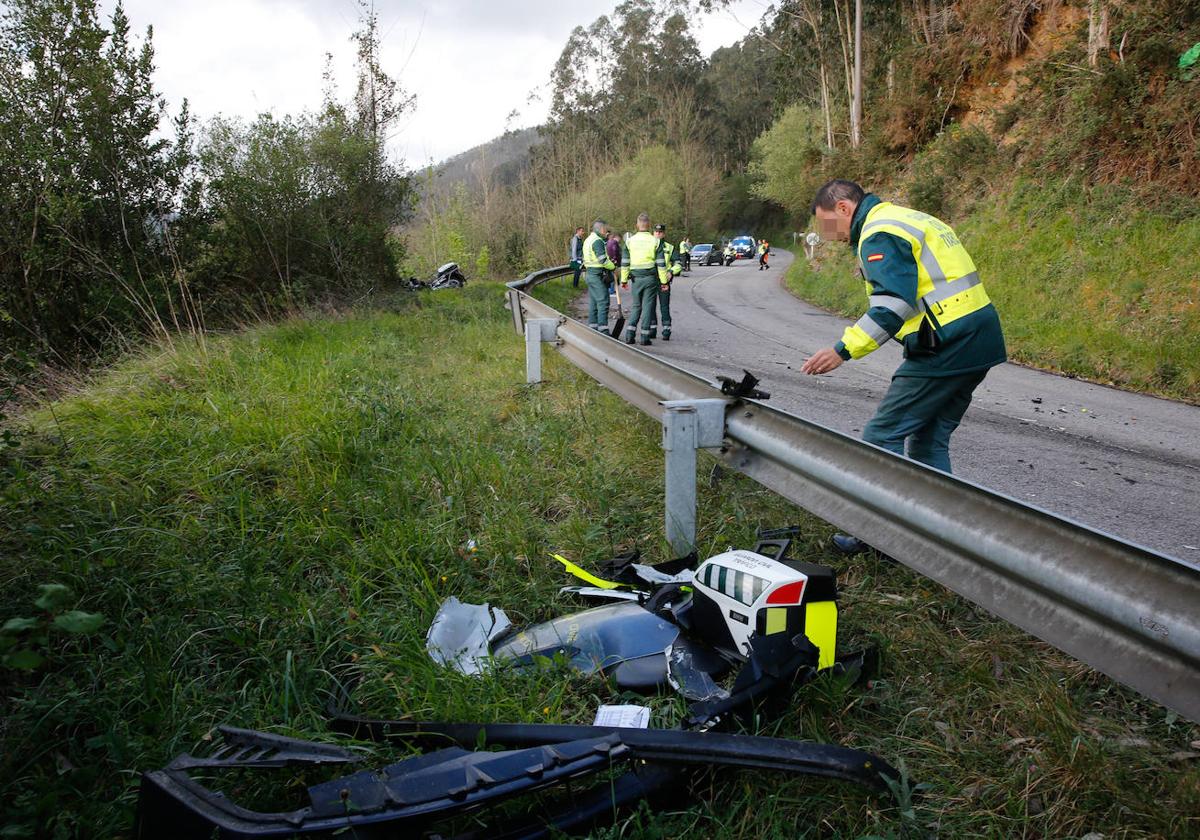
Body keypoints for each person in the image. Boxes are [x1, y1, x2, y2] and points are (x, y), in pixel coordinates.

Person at [800, 179, 1006, 554]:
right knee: (928, 440)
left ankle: (885, 539)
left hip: (946, 345)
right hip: (979, 339)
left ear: (844, 208)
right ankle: (940, 537)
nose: (826, 235)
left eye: (826, 223)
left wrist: (842, 350)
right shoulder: (905, 217)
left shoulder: (878, 233)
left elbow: (894, 305)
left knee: (881, 436)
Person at [620, 213, 670, 346]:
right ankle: (644, 337)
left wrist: (624, 280)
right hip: (650, 279)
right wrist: (664, 282)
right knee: (648, 306)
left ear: (637, 225)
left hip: (636, 279)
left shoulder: (629, 241)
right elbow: (661, 264)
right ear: (649, 225)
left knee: (636, 306)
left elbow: (625, 263)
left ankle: (629, 335)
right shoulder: (656, 241)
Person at [647, 223, 683, 340]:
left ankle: (666, 329)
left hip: (664, 280)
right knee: (651, 305)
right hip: (651, 279)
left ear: (664, 234)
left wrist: (671, 272)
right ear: (653, 233)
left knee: (664, 306)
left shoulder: (669, 247)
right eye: (656, 232)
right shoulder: (648, 246)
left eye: (660, 232)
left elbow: (678, 264)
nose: (658, 234)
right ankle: (652, 328)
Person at [581, 219, 616, 331]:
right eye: (606, 229)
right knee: (603, 301)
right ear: (601, 229)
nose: (607, 232)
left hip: (590, 273)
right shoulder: (597, 241)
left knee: (594, 302)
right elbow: (603, 260)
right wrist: (613, 267)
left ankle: (593, 328)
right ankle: (603, 330)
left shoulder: (588, 240)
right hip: (597, 274)